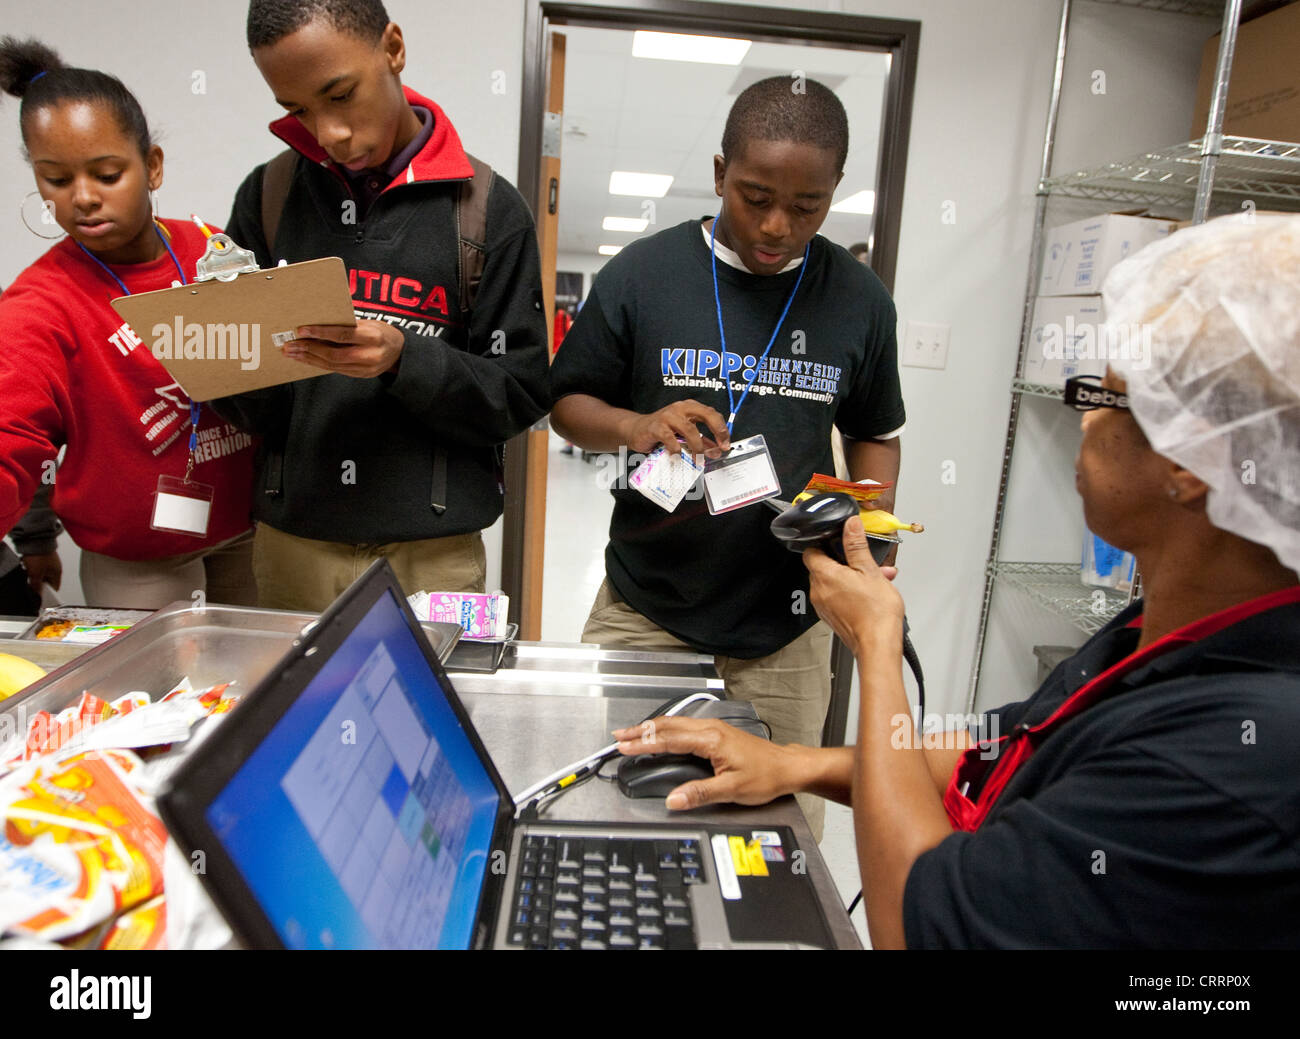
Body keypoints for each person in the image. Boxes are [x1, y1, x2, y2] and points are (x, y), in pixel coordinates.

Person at [612, 214, 1300, 949]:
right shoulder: (1166, 632)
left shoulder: (1233, 760)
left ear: (1192, 464)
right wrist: (796, 763)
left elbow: (913, 920)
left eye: (1107, 399)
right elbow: (997, 753)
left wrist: (877, 645)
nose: (1083, 421)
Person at [549, 76, 906, 838]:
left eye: (807, 206)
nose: (778, 225)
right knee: (605, 809)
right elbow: (568, 406)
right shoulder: (643, 275)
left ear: (834, 191)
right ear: (719, 174)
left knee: (774, 840)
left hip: (787, 626)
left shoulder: (861, 300)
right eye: (755, 197)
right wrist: (638, 425)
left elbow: (877, 428)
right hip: (645, 607)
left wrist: (869, 532)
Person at [210, 0, 549, 611]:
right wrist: (213, 356)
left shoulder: (490, 209)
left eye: (340, 95)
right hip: (296, 543)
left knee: (430, 707)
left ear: (393, 48)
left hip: (434, 550)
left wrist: (403, 359)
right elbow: (253, 408)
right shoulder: (268, 195)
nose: (329, 134)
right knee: (294, 709)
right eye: (297, 111)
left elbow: (519, 394)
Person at [0, 38, 257, 609]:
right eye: (57, 181)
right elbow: (11, 437)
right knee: (162, 698)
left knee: (263, 689)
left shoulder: (212, 248)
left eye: (108, 173)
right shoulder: (37, 304)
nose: (84, 199)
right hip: (138, 561)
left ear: (153, 165)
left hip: (245, 533)